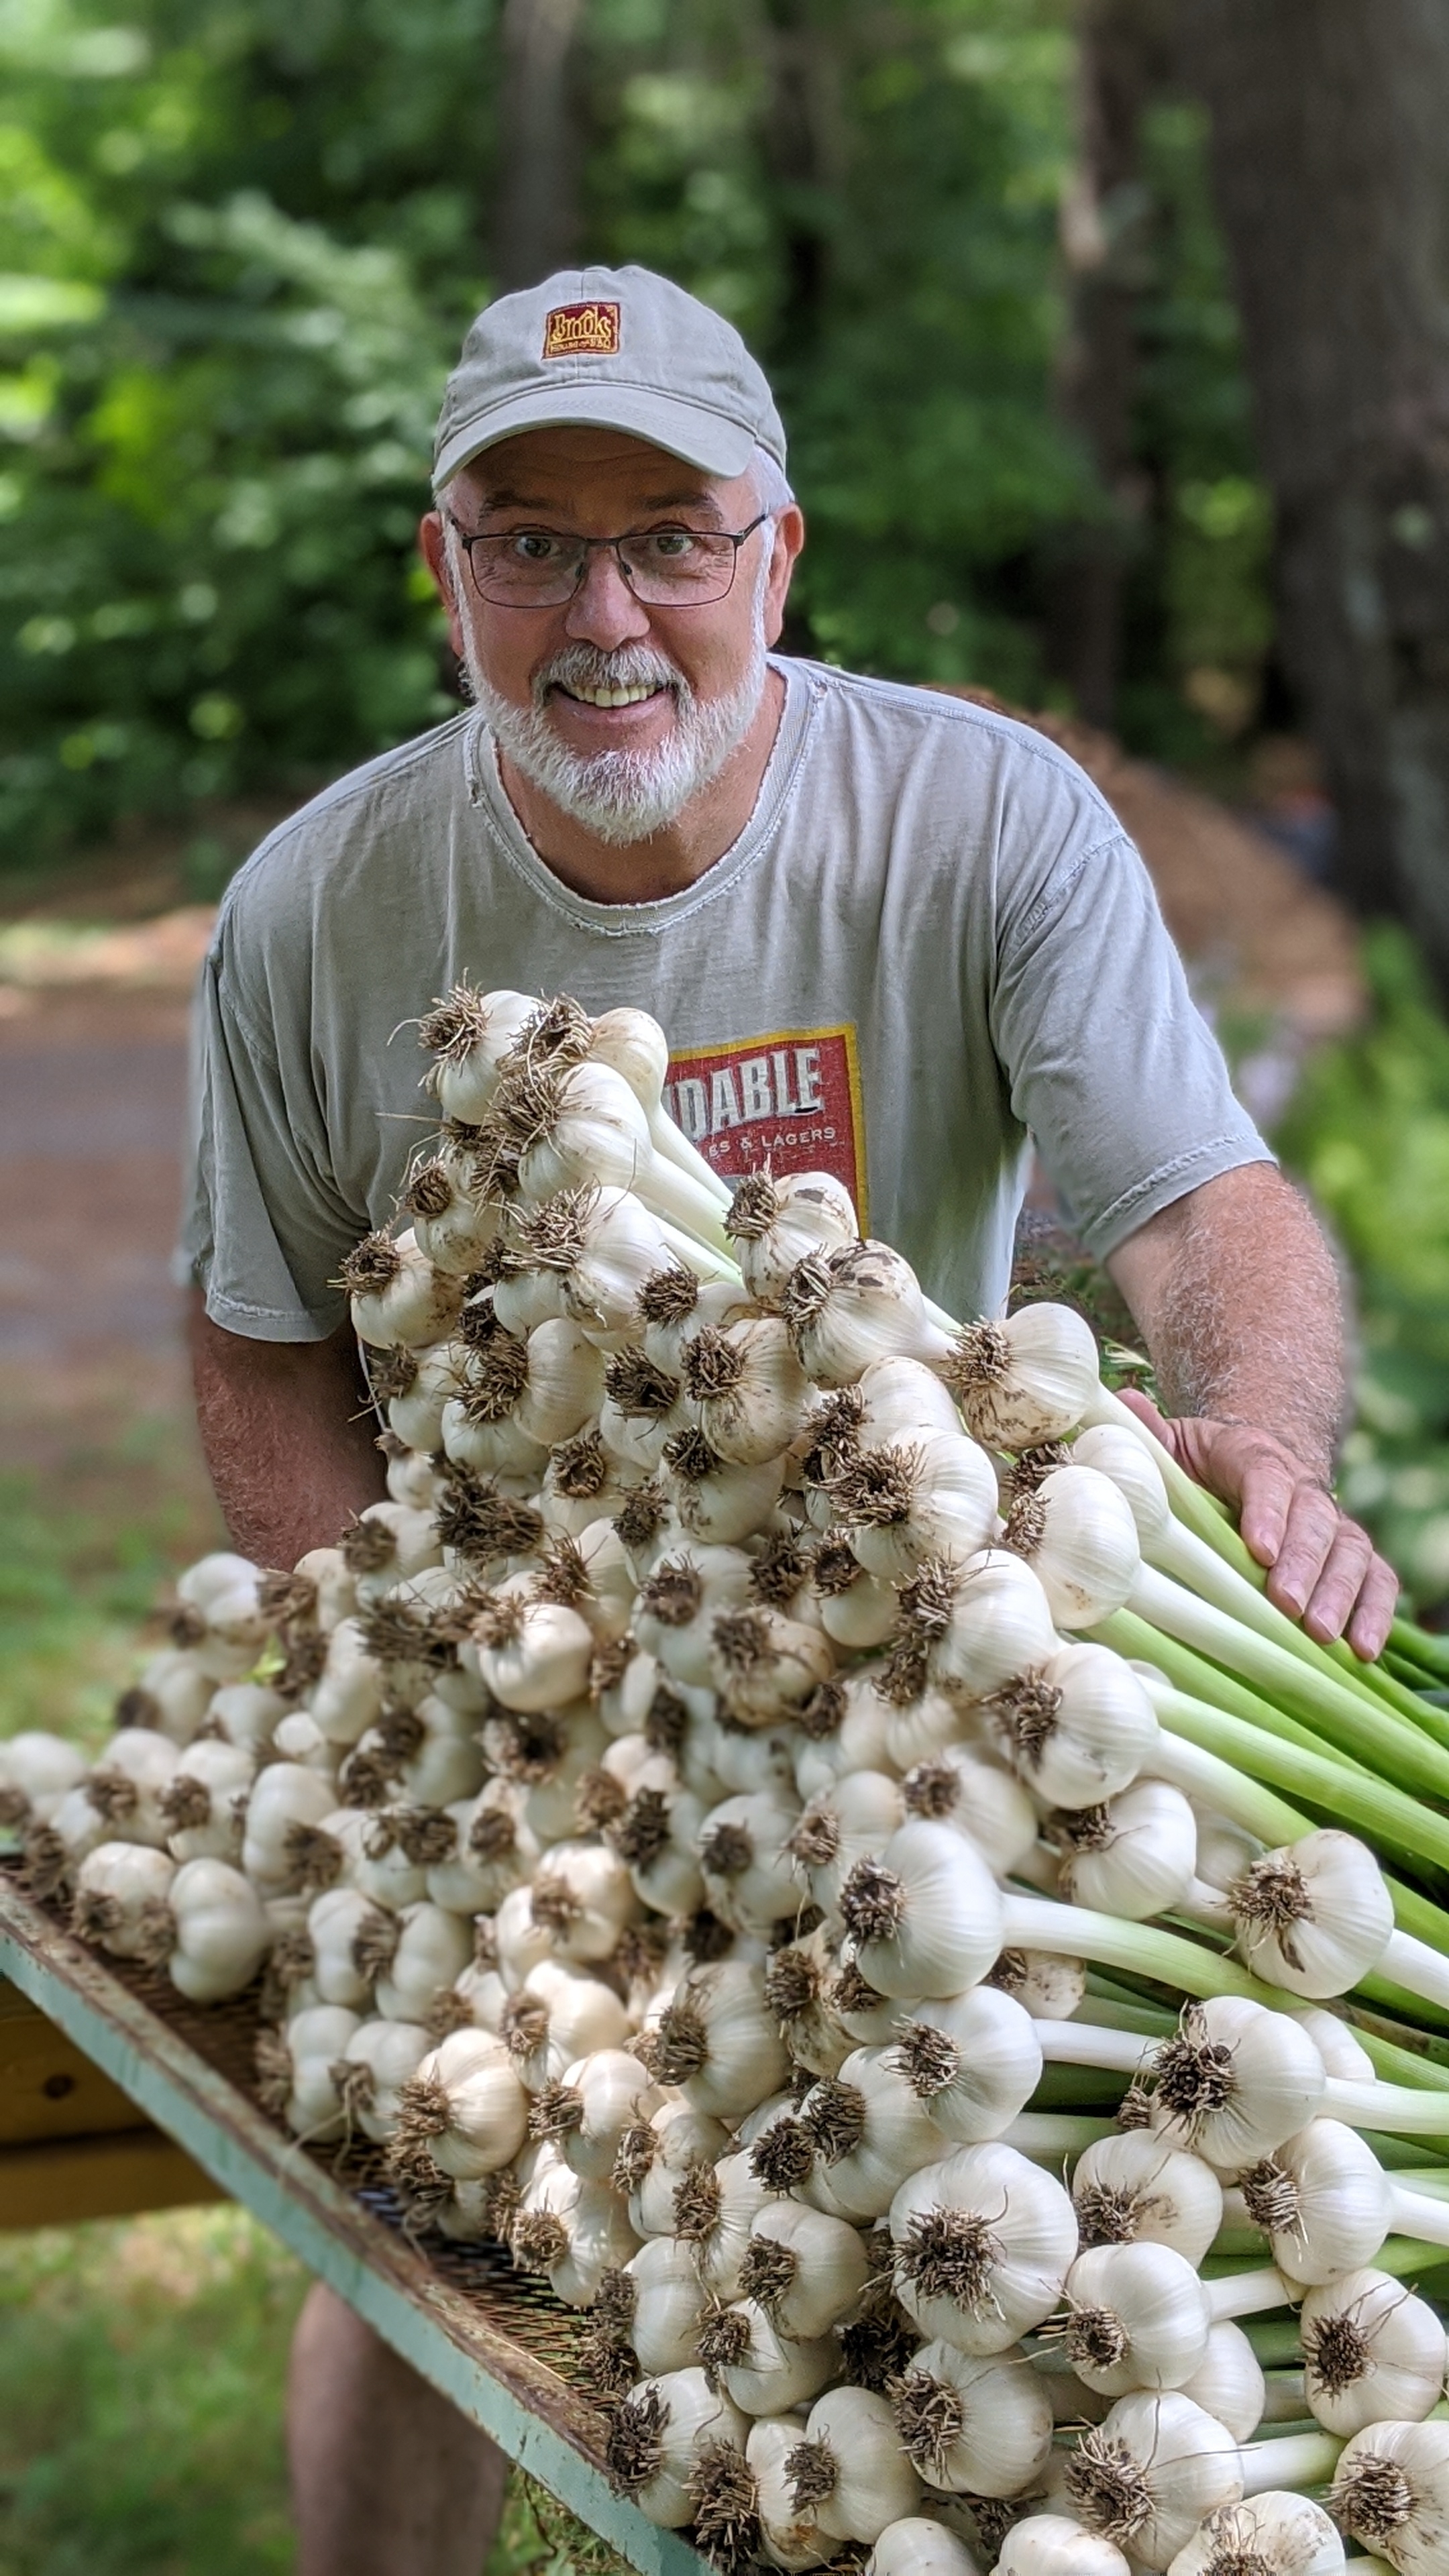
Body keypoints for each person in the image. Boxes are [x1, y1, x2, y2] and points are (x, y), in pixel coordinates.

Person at [180, 263, 1398, 2576]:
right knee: (417, 2222)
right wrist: (377, 1671)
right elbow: (260, 1334)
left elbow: (1193, 1196)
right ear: (446, 574)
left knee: (966, 2267)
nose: (605, 612)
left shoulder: (981, 818)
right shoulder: (317, 908)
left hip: (925, 1685)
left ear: (780, 554)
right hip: (519, 1711)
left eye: (671, 536)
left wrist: (1258, 1429)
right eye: (528, 542)